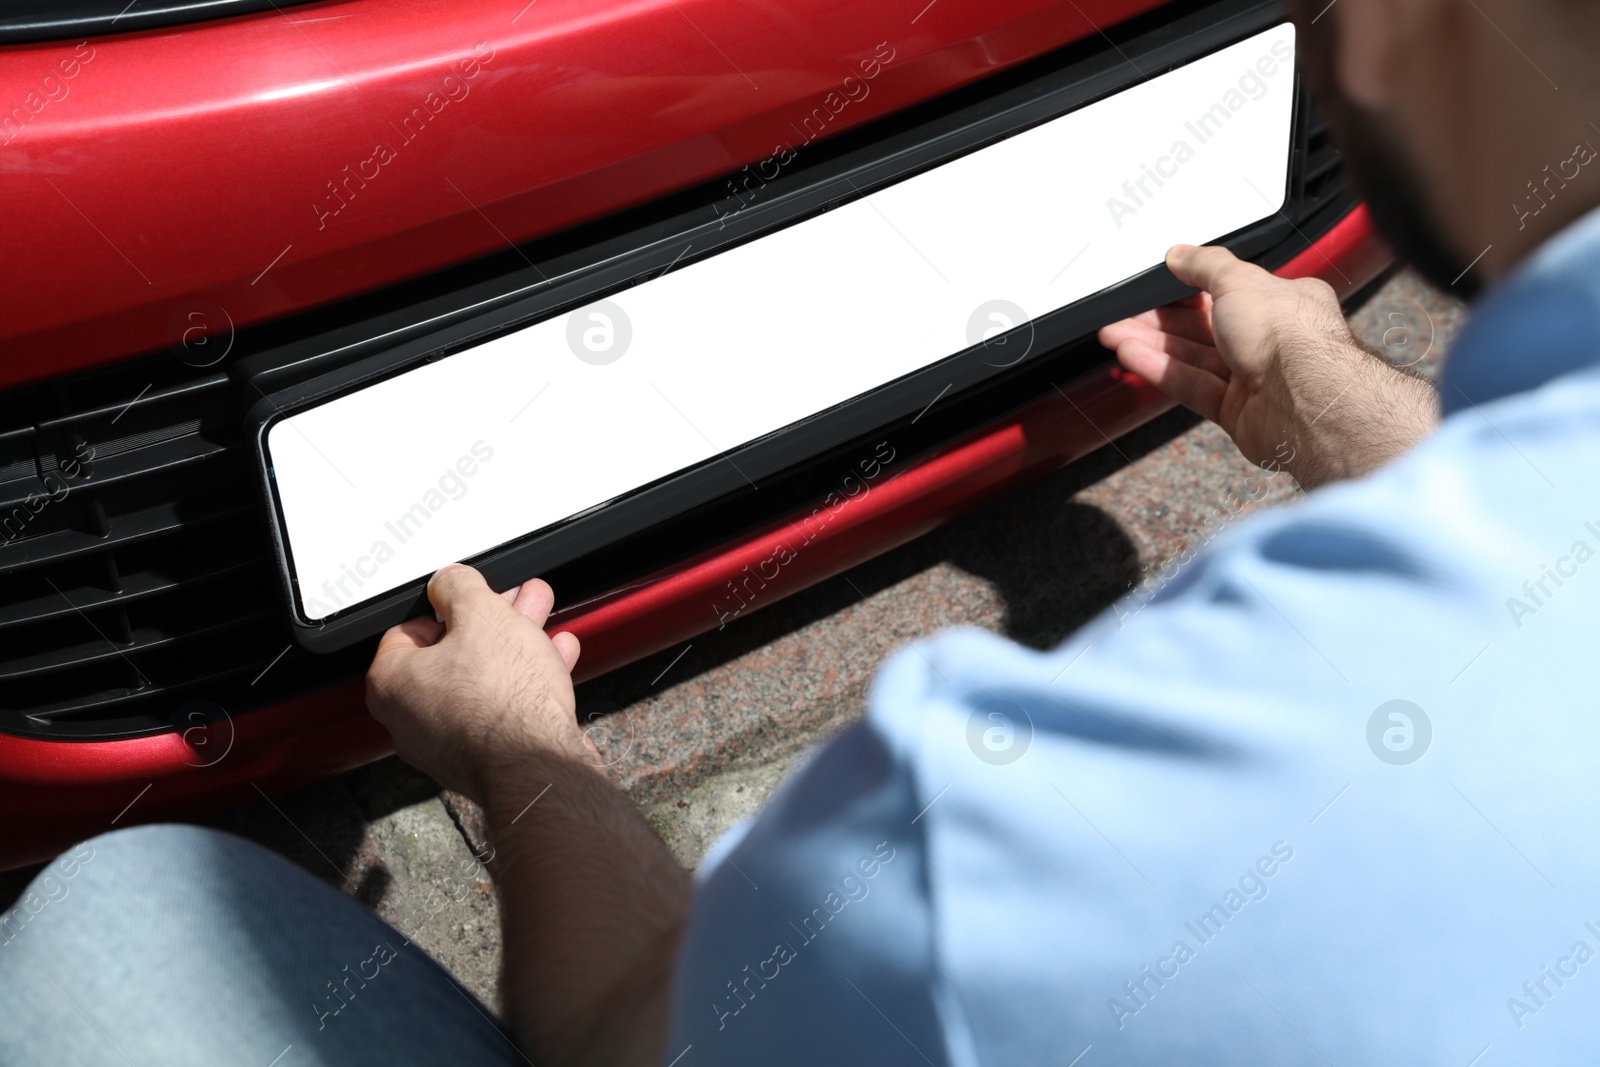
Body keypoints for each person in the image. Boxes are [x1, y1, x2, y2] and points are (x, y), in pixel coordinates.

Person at [6, 0, 1600, 1062]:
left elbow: (637, 1027)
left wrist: (517, 758)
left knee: (125, 911)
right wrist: (1348, 404)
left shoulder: (1051, 847)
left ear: (1385, 39)